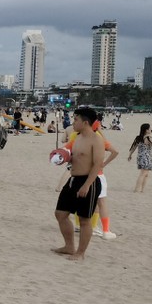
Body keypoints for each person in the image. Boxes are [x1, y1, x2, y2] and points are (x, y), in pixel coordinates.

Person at [53, 107, 106, 261]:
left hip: (88, 181)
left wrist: (87, 185)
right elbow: (76, 157)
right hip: (73, 179)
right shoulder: (77, 137)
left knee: (84, 219)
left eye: (76, 119)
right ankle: (69, 246)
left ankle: (80, 253)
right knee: (60, 214)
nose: (73, 122)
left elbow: (97, 164)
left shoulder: (96, 140)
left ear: (86, 122)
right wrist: (63, 158)